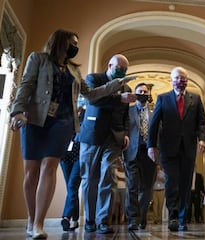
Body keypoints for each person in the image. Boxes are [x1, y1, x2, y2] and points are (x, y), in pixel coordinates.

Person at [9, 29, 129, 239]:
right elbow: (26, 84)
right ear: (60, 42)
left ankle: (38, 223)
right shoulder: (38, 59)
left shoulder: (74, 70)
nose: (75, 47)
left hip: (63, 122)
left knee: (49, 167)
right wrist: (17, 110)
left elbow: (90, 94)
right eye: (72, 42)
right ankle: (31, 218)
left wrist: (115, 86)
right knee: (32, 172)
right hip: (36, 119)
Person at [78, 54, 137, 234]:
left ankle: (103, 219)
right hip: (92, 135)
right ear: (110, 65)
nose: (122, 72)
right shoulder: (94, 79)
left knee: (108, 176)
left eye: (125, 70)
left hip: (114, 138)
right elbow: (94, 99)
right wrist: (119, 98)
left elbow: (126, 114)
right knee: (89, 178)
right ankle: (89, 219)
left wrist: (125, 133)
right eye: (119, 68)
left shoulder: (126, 86)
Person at [147, 66, 205, 232]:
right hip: (168, 148)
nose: (181, 81)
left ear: (187, 81)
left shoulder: (195, 98)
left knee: (186, 183)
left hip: (189, 147)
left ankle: (183, 217)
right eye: (178, 78)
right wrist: (151, 145)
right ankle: (173, 215)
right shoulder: (163, 98)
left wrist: (202, 140)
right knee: (172, 182)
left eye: (184, 78)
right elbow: (154, 124)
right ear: (171, 80)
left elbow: (201, 122)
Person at [123, 83, 157, 230]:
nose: (143, 93)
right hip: (132, 152)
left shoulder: (155, 112)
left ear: (148, 94)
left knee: (147, 187)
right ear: (135, 94)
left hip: (149, 154)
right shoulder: (128, 111)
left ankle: (142, 216)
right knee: (132, 186)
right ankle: (133, 219)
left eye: (145, 91)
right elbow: (123, 128)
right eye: (140, 91)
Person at [60, 104, 85, 232]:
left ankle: (66, 217)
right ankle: (75, 221)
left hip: (80, 156)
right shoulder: (66, 115)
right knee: (71, 188)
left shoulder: (85, 116)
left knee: (72, 186)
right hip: (65, 157)